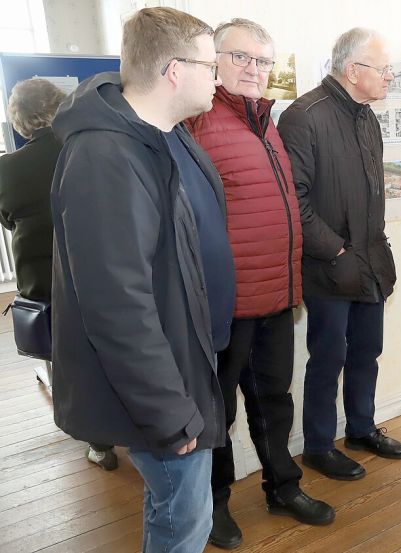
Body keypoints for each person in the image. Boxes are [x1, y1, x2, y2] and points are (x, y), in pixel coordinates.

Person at [49, 7, 235, 552]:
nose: (217, 79)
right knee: (184, 523)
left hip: (180, 362)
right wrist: (171, 415)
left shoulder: (155, 138)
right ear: (174, 70)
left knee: (173, 511)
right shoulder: (107, 154)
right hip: (162, 389)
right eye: (210, 65)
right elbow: (116, 306)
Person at [186, 17, 334, 549]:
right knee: (217, 411)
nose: (254, 69)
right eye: (241, 57)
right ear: (214, 61)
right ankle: (214, 504)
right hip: (226, 305)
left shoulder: (265, 121)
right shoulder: (198, 121)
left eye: (263, 60)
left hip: (276, 297)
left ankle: (283, 487)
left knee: (274, 399)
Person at [278, 27, 401, 482]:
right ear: (354, 71)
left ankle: (360, 428)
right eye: (384, 68)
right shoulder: (304, 116)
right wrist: (335, 249)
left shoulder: (366, 117)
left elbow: (371, 193)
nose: (390, 75)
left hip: (370, 261)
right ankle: (316, 446)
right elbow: (293, 200)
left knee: (367, 352)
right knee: (327, 357)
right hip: (327, 266)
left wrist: (376, 246)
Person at [0, 78, 120, 471]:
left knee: (65, 363)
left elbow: (6, 218)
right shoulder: (89, 150)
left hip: (44, 281)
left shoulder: (8, 169)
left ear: (17, 120)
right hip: (98, 275)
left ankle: (98, 442)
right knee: (110, 353)